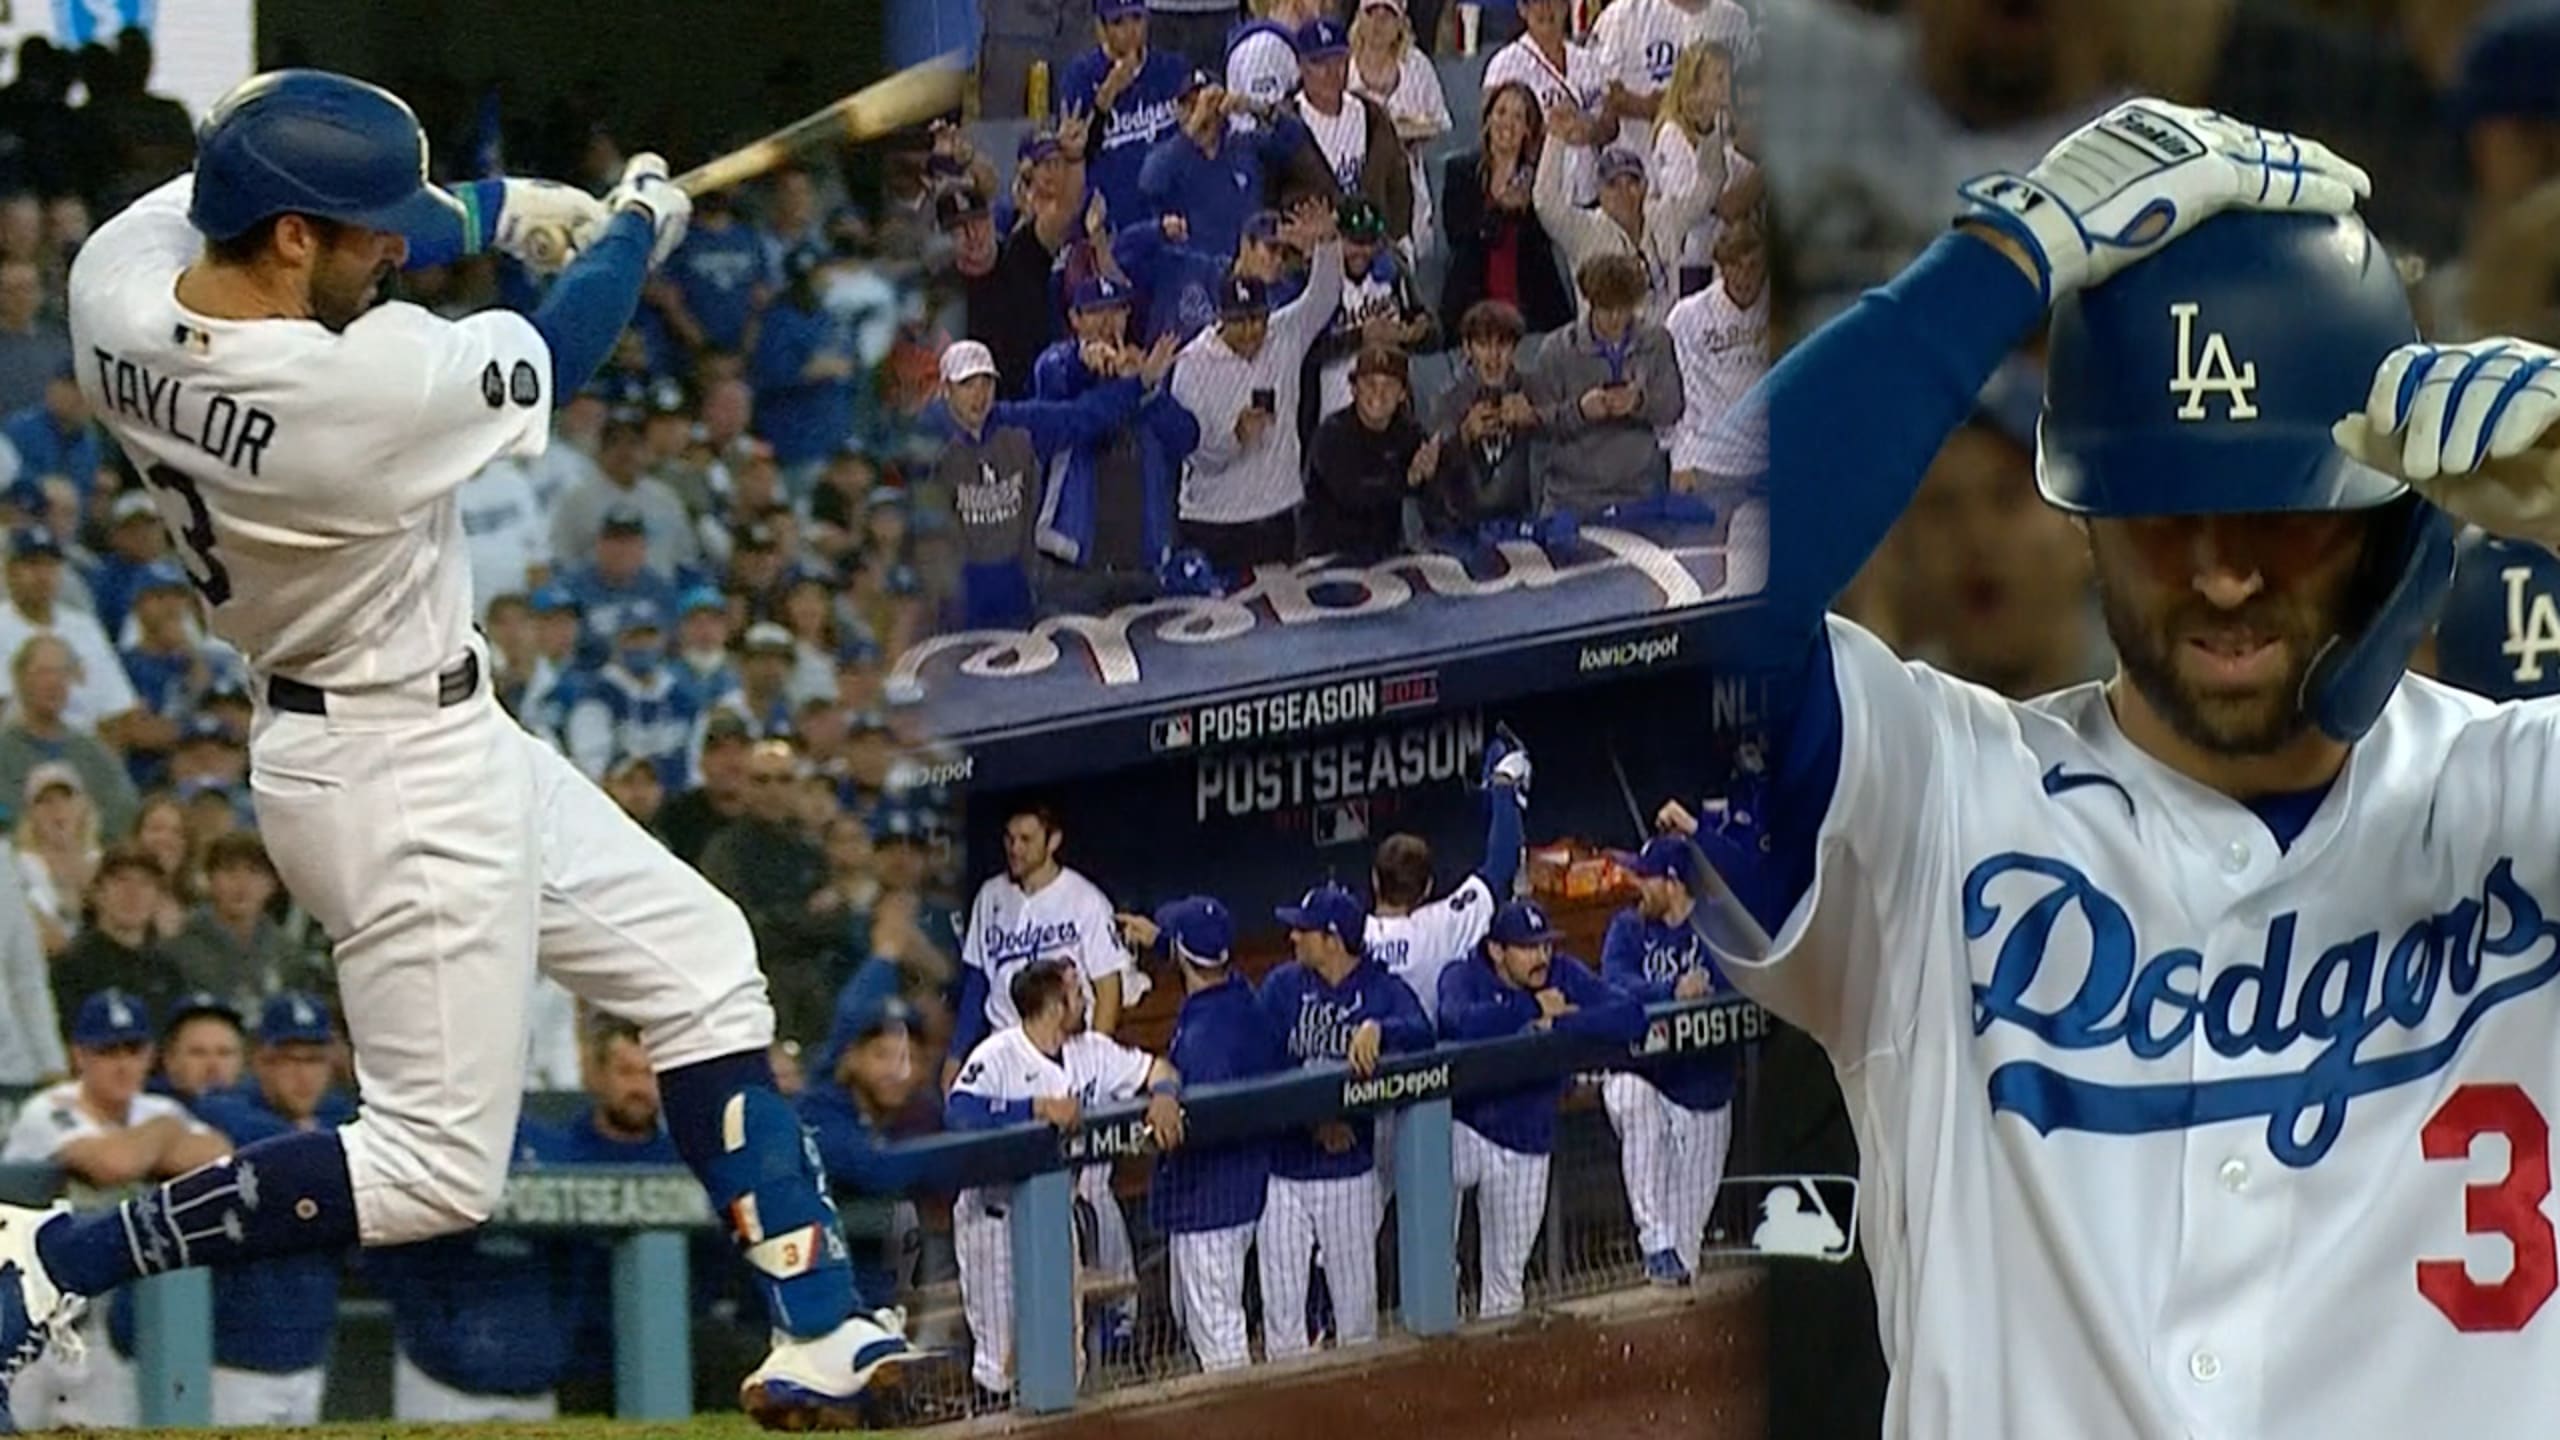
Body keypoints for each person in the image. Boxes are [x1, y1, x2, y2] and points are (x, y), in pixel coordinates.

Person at [28, 69, 918, 1429]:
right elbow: (567, 343)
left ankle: (818, 1327)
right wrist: (626, 230)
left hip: (425, 727)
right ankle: (55, 1253)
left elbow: (346, 214)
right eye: (368, 234)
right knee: (437, 1172)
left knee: (700, 968)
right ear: (289, 242)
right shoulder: (351, 395)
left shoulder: (116, 281)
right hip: (391, 773)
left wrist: (504, 206)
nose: (396, 249)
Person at [1695, 95, 2560, 1438]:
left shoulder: (2528, 796)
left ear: (2393, 518)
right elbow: (1689, 609)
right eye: (2163, 511)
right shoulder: (1935, 807)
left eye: (2277, 510)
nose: (2221, 570)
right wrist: (1993, 265)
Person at [945, 959, 1183, 1402]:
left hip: (1057, 1217)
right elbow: (958, 1114)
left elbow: (1159, 1069)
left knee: (1065, 1352)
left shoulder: (1091, 1049)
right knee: (1000, 1364)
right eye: (1077, 993)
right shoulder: (998, 1054)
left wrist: (1165, 1096)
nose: (1087, 1000)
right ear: (1055, 1006)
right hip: (994, 1223)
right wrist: (1034, 1108)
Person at [1, 990, 230, 1431]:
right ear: (79, 1054)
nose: (123, 1064)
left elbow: (219, 1157)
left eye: (133, 1049)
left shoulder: (155, 1108)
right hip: (19, 1312)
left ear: (150, 1054)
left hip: (98, 1324)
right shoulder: (49, 1107)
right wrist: (164, 1138)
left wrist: (144, 1135)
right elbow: (113, 1165)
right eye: (107, 1051)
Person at [1437, 899, 1642, 1318]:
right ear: (1497, 951)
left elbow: (1631, 1016)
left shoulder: (1563, 974)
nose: (1542, 957)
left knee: (1506, 1284)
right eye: (1529, 948)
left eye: (1545, 946)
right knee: (1436, 1262)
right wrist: (1530, 1010)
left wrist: (1564, 1022)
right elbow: (1457, 1021)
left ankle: (1493, 1373)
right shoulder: (1463, 975)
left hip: (1528, 1139)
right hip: (1466, 1130)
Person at [1256, 881, 1433, 1359]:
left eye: (1304, 931)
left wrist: (1381, 1029)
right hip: (1283, 1171)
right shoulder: (1282, 987)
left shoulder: (1381, 989)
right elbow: (1262, 1065)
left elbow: (1424, 1034)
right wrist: (1315, 1119)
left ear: (1332, 939)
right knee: (1283, 1318)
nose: (1293, 938)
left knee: (1356, 1318)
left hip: (1348, 1173)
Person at [1118, 897, 1287, 1374]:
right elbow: (1198, 959)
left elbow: (1188, 1130)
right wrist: (1164, 940)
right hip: (1246, 1187)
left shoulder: (1203, 1037)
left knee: (1219, 1340)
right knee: (1202, 1322)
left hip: (1208, 1200)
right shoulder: (1242, 996)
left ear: (1181, 956)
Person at [190, 992, 357, 1428]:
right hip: (229, 1363)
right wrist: (314, 1145)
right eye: (289, 1060)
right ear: (261, 1061)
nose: (303, 1076)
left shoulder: (340, 1115)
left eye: (314, 1060)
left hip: (310, 1354)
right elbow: (213, 1111)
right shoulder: (226, 1112)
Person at [929, 337, 1163, 629]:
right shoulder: (925, 442)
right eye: (967, 385)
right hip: (955, 602)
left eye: (986, 383)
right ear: (946, 389)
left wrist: (1139, 383)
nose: (979, 395)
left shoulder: (1016, 426)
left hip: (1014, 592)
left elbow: (1082, 417)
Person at [1169, 206, 1346, 579]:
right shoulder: (1192, 364)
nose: (1252, 331)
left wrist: (1327, 243)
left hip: (1276, 516)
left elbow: (1325, 296)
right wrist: (1235, 439)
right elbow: (1196, 455)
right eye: (1241, 321)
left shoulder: (1284, 334)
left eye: (1258, 319)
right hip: (1213, 522)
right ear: (1221, 318)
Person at [1597, 835, 1734, 1287]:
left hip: (1704, 1093)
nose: (1636, 883)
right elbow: (1613, 984)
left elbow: (1736, 984)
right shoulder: (1628, 927)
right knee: (1630, 1096)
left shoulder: (1718, 929)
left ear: (1673, 882)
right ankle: (1651, 1238)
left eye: (1645, 876)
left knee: (1686, 1253)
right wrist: (1670, 991)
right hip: (1646, 1077)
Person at [1523, 253, 1685, 517]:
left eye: (1623, 308)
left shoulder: (1656, 342)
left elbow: (1672, 407)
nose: (1615, 318)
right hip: (1572, 501)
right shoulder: (1557, 349)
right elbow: (1537, 423)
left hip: (1639, 497)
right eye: (1606, 308)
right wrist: (1580, 411)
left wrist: (1638, 402)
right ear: (1590, 302)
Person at [1438, 82, 1574, 343]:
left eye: (1518, 116)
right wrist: (1500, 209)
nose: (1507, 123)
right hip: (1471, 308)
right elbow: (1457, 234)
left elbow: (1544, 244)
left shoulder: (1540, 180)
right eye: (1501, 113)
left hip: (1531, 310)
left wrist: (1528, 211)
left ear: (1528, 130)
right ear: (1488, 120)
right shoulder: (1460, 172)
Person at [1663, 217, 1770, 512]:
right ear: (1721, 267)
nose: (1745, 277)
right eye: (1735, 266)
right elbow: (1672, 390)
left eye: (1753, 266)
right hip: (1706, 466)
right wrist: (1680, 459)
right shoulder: (1687, 316)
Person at [1062, 0, 1194, 236]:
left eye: (1136, 18)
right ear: (1100, 28)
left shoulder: (1173, 69)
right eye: (1118, 22)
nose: (1131, 31)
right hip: (1111, 220)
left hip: (1168, 217)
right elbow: (1079, 155)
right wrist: (1106, 97)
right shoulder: (1080, 76)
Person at [1418, 300, 1541, 540]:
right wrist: (1463, 437)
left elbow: (1560, 450)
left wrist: (1535, 420)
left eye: (1502, 345)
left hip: (1521, 525)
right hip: (1461, 529)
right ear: (1467, 348)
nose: (1493, 357)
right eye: (1483, 345)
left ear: (1515, 348)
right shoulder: (1447, 402)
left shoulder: (1533, 392)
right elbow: (1429, 482)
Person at [1303, 345, 1429, 564]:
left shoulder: (1409, 431)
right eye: (1370, 384)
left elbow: (1432, 490)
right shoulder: (1331, 434)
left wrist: (1431, 473)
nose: (1378, 393)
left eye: (1389, 385)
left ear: (1402, 394)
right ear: (1353, 388)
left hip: (1386, 554)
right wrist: (1408, 480)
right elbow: (1354, 494)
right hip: (1329, 556)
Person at [1346, 0, 1451, 259]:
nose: (1379, 23)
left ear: (1401, 21)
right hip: (1354, 185)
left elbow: (1440, 123)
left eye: (1388, 14)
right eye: (1372, 13)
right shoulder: (1342, 66)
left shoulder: (1417, 66)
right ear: (1360, 17)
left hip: (1410, 186)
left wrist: (1411, 130)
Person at [1481, 0, 1611, 208]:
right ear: (1522, 9)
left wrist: (1590, 130)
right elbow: (1491, 137)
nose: (1546, 9)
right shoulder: (1505, 64)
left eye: (1553, 1)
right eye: (1536, 2)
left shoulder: (1587, 62)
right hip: (1534, 201)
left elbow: (1610, 125)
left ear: (1566, 6)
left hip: (1589, 198)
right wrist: (1550, 131)